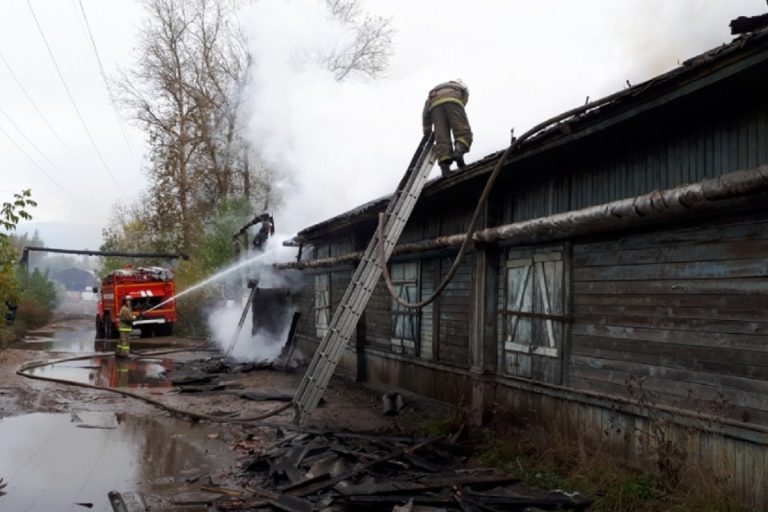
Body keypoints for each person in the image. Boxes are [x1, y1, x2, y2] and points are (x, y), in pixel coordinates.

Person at [422, 79, 473, 176]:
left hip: (434, 105)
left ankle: (445, 168)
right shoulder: (462, 88)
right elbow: (463, 103)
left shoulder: (434, 92)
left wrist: (427, 130)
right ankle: (458, 152)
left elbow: (425, 113)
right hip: (453, 101)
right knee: (463, 131)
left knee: (441, 138)